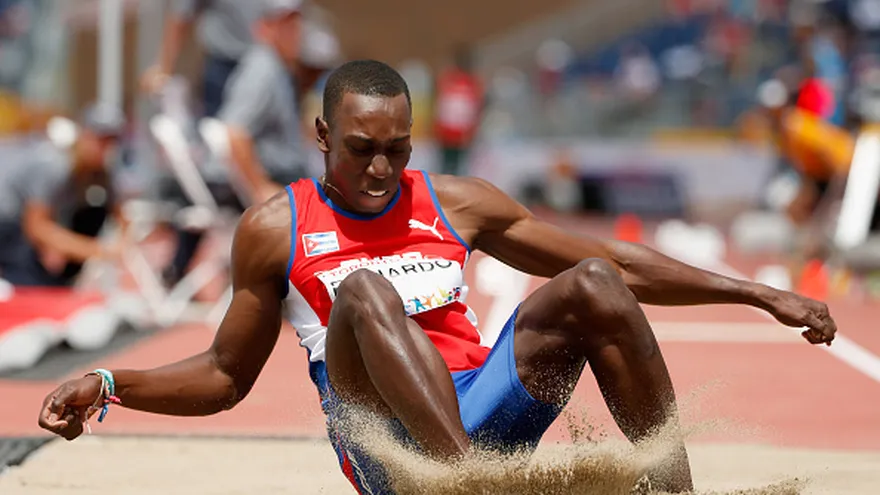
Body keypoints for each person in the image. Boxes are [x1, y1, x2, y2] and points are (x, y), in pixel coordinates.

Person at [39, 60, 837, 494]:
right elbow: (221, 374)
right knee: (362, 291)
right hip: (389, 448)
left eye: (399, 148)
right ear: (322, 136)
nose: (382, 168)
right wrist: (110, 379)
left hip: (481, 416)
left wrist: (760, 293)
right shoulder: (275, 228)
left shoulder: (457, 202)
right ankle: (467, 492)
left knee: (592, 279)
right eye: (361, 148)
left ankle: (672, 493)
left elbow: (624, 265)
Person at [163, 0, 311, 286]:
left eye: (295, 24)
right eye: (284, 24)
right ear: (263, 28)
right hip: (267, 180)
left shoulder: (276, 68)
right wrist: (258, 187)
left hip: (281, 176)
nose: (293, 32)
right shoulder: (263, 69)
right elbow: (234, 133)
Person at [0, 103, 126, 287]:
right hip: (8, 223)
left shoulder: (102, 174)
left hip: (35, 229)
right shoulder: (56, 165)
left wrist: (124, 244)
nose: (105, 147)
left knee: (94, 208)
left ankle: (57, 280)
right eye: (100, 139)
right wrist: (94, 250)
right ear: (85, 135)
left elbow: (121, 215)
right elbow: (35, 226)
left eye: (111, 141)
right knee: (29, 284)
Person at [140, 0, 262, 117]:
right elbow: (181, 17)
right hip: (223, 65)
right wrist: (163, 67)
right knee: (218, 130)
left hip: (266, 65)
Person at [433, 44, 483, 176]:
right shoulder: (448, 79)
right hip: (447, 133)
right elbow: (441, 106)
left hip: (463, 135)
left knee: (461, 170)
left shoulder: (472, 82)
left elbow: (475, 109)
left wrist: (472, 130)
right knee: (445, 167)